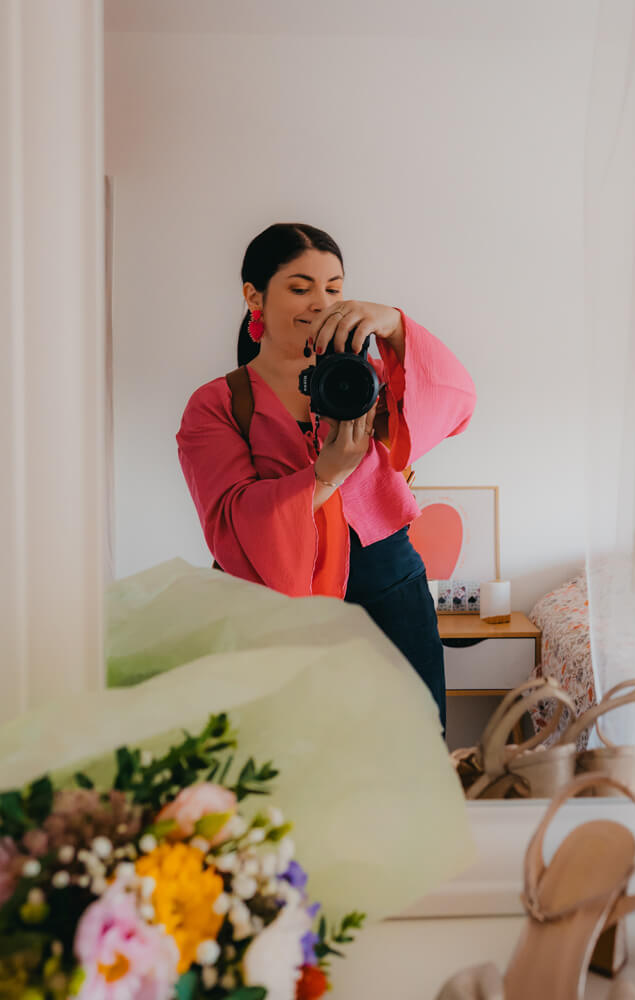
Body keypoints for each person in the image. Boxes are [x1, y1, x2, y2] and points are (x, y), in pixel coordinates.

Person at [176, 223, 476, 736]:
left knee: (409, 750)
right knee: (286, 763)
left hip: (389, 587)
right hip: (270, 605)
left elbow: (456, 401)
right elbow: (229, 520)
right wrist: (326, 475)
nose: (320, 303)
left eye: (334, 288)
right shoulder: (218, 403)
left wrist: (396, 326)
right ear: (254, 295)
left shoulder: (367, 379)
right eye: (299, 287)